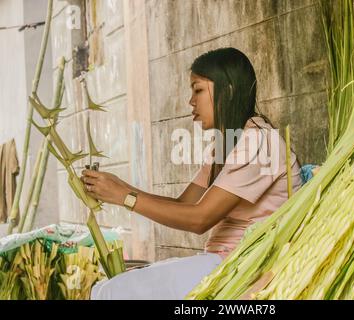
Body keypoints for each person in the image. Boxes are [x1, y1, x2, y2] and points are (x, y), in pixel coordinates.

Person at [82, 47, 302, 299]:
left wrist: (125, 197)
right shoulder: (226, 145)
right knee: (107, 289)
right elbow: (184, 205)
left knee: (112, 293)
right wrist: (120, 188)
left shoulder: (260, 141)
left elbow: (199, 219)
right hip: (221, 262)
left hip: (244, 267)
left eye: (198, 89)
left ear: (227, 91)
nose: (191, 101)